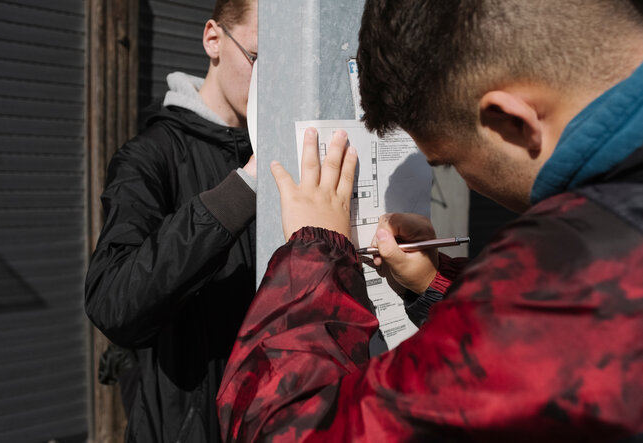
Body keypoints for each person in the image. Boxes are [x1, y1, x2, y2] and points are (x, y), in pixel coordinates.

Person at [216, 0, 643, 441]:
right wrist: (438, 288)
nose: (460, 179)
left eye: (448, 161)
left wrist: (313, 253)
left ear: (511, 121)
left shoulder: (565, 273)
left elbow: (284, 431)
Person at [84, 0, 258, 441]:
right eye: (259, 60)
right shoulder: (149, 157)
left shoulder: (282, 145)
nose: (271, 83)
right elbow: (111, 299)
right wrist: (239, 193)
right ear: (213, 39)